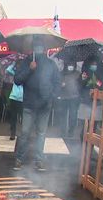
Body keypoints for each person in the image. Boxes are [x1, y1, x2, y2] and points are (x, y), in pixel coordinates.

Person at [13, 40, 61, 171]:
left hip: (45, 105)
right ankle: (19, 158)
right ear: (32, 48)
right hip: (29, 104)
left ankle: (39, 160)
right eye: (36, 46)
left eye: (40, 46)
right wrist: (29, 69)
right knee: (25, 133)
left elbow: (57, 82)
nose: (39, 49)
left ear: (44, 48)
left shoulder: (51, 64)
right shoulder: (26, 62)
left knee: (41, 133)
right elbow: (17, 80)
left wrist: (52, 95)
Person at [56, 61, 81, 138]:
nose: (70, 66)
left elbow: (81, 84)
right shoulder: (61, 73)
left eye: (72, 65)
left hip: (74, 97)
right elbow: (57, 83)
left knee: (73, 115)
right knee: (63, 115)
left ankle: (71, 131)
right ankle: (62, 131)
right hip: (63, 96)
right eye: (69, 64)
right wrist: (61, 85)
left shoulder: (78, 74)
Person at [6, 61, 23, 140]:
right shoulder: (15, 74)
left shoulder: (26, 76)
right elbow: (8, 70)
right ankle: (13, 133)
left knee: (24, 118)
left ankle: (24, 134)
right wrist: (13, 63)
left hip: (23, 98)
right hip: (14, 98)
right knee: (13, 117)